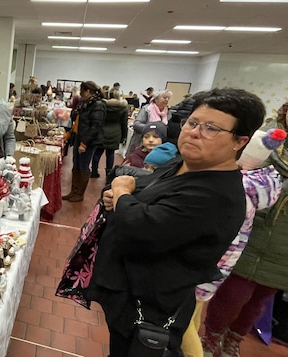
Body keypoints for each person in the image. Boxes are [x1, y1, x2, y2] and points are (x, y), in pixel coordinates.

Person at [88, 88, 264, 356]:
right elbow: (151, 185)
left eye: (211, 128)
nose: (194, 132)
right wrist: (129, 190)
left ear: (239, 141)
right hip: (127, 295)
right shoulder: (186, 163)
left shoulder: (215, 195)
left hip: (150, 308)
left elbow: (142, 228)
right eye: (192, 123)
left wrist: (123, 194)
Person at [201, 104, 288, 357]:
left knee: (260, 298)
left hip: (283, 243)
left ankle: (233, 340)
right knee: (235, 293)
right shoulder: (265, 139)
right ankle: (211, 338)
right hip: (252, 230)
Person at [62, 81, 106, 202]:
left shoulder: (98, 105)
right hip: (79, 137)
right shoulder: (85, 103)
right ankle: (73, 191)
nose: (80, 94)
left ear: (87, 91)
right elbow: (78, 119)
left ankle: (80, 194)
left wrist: (84, 143)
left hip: (88, 141)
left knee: (83, 166)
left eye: (82, 91)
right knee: (76, 164)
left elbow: (95, 127)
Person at [91, 89, 128, 178]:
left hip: (102, 131)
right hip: (115, 132)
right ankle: (108, 174)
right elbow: (124, 123)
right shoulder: (123, 107)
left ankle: (94, 172)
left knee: (97, 152)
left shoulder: (102, 105)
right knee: (110, 154)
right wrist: (124, 136)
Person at [127, 89, 172, 154]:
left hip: (158, 147)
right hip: (141, 144)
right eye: (164, 97)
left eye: (168, 98)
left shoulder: (168, 113)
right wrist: (152, 129)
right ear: (156, 99)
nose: (167, 100)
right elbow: (136, 124)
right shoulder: (147, 109)